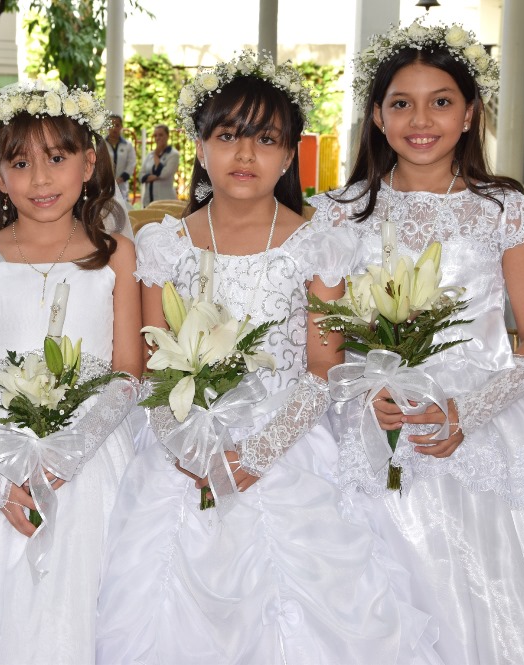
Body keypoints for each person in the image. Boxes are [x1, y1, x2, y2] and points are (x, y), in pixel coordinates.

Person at [97, 51, 438, 664]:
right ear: (200, 147)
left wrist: (260, 451)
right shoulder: (164, 243)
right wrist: (188, 445)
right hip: (184, 442)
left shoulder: (317, 243)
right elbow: (153, 364)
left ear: (288, 155)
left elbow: (324, 365)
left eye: (266, 139)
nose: (245, 154)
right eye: (228, 135)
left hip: (288, 440)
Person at [309, 20, 524, 663]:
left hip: (490, 412)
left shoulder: (504, 210)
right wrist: (363, 393)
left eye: (441, 101)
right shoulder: (341, 212)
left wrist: (471, 411)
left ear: (469, 114)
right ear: (377, 116)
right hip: (374, 416)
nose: (421, 120)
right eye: (401, 103)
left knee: (501, 590)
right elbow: (324, 348)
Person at [0, 80, 143, 663]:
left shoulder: (116, 254)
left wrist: (69, 452)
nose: (39, 179)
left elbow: (128, 370)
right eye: (20, 163)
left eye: (57, 159)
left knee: (79, 598)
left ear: (89, 164)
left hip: (90, 451)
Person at [138, 124, 180, 205]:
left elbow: (164, 174)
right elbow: (141, 176)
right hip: (148, 200)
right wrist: (155, 176)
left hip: (165, 199)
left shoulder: (173, 154)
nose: (158, 138)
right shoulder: (150, 155)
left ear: (167, 136)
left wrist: (156, 156)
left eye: (161, 135)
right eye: (155, 136)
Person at [105, 114, 137, 192]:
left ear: (121, 127)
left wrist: (121, 179)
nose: (114, 128)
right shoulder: (101, 144)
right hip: (105, 185)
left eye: (117, 125)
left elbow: (131, 163)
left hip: (122, 185)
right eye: (111, 125)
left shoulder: (128, 145)